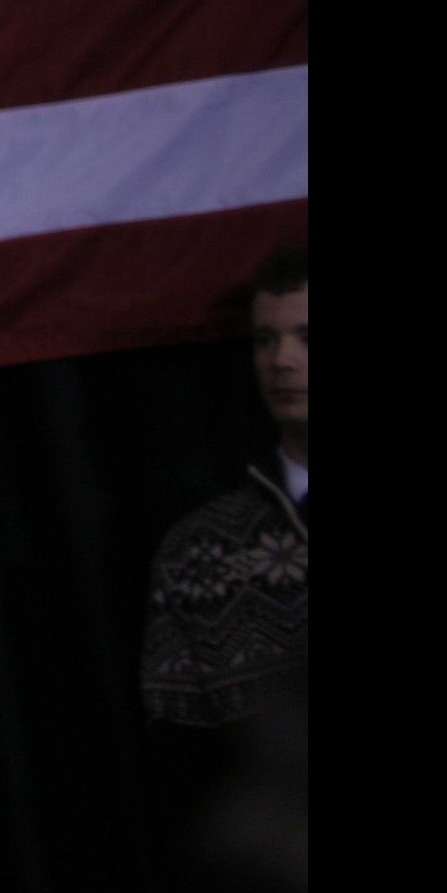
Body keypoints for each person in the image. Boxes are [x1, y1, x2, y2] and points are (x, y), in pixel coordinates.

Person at [147, 247, 311, 727]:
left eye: (308, 337)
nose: (282, 361)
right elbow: (181, 753)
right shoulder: (200, 549)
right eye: (265, 339)